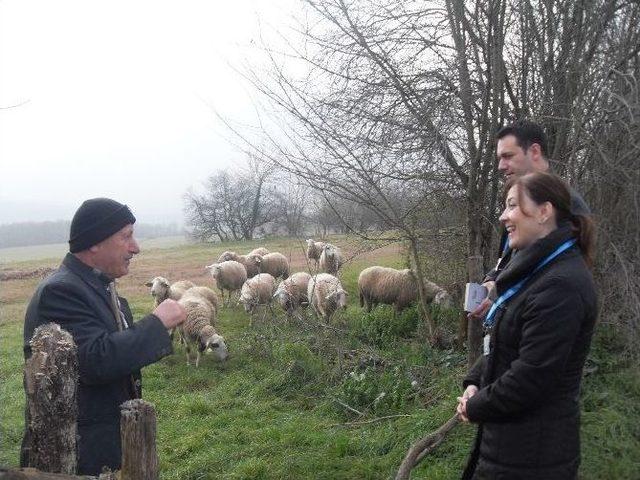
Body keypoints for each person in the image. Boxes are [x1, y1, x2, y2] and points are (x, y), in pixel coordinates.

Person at [21, 198, 186, 475]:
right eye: (126, 236)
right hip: (75, 452)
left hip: (106, 441)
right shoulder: (60, 292)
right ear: (95, 241)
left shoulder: (103, 289)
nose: (136, 247)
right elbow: (94, 360)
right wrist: (157, 323)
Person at [457, 172, 597, 479]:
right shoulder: (534, 273)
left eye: (511, 206)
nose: (503, 216)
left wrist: (475, 406)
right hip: (509, 445)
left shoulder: (561, 286)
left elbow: (531, 377)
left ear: (544, 212)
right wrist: (474, 382)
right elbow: (507, 344)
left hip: (533, 457)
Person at [469, 120, 590, 320]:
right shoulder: (519, 200)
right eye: (499, 158)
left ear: (534, 152)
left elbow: (554, 274)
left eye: (508, 156)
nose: (500, 166)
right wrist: (493, 280)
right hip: (511, 322)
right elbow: (510, 258)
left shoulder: (568, 205)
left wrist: (500, 289)